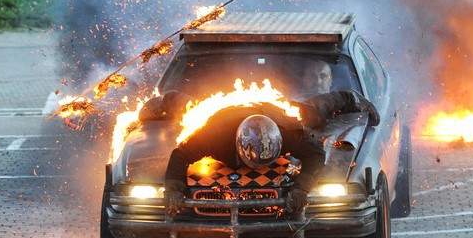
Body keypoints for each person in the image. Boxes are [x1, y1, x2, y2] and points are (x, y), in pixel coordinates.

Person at [147, 86, 380, 216]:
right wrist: (173, 189)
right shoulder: (213, 135)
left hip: (272, 111)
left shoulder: (288, 131)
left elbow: (315, 153)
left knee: (313, 112)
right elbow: (180, 154)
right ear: (239, 147)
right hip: (226, 112)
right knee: (186, 107)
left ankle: (350, 96)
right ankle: (161, 102)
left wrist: (301, 189)